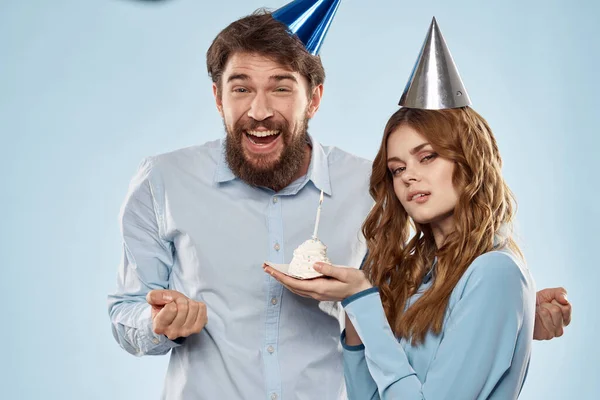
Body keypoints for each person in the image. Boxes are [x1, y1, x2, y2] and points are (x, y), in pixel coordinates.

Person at [108, 3, 571, 399]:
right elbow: (125, 309)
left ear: (314, 99)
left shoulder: (370, 187)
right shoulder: (163, 181)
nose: (260, 109)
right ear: (217, 97)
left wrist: (509, 313)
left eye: (282, 87)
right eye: (241, 87)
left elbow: (421, 285)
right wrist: (158, 324)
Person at [263, 18, 553, 399]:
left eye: (427, 157)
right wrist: (353, 311)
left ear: (469, 161)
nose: (409, 178)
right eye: (397, 169)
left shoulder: (495, 273)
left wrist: (363, 300)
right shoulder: (422, 276)